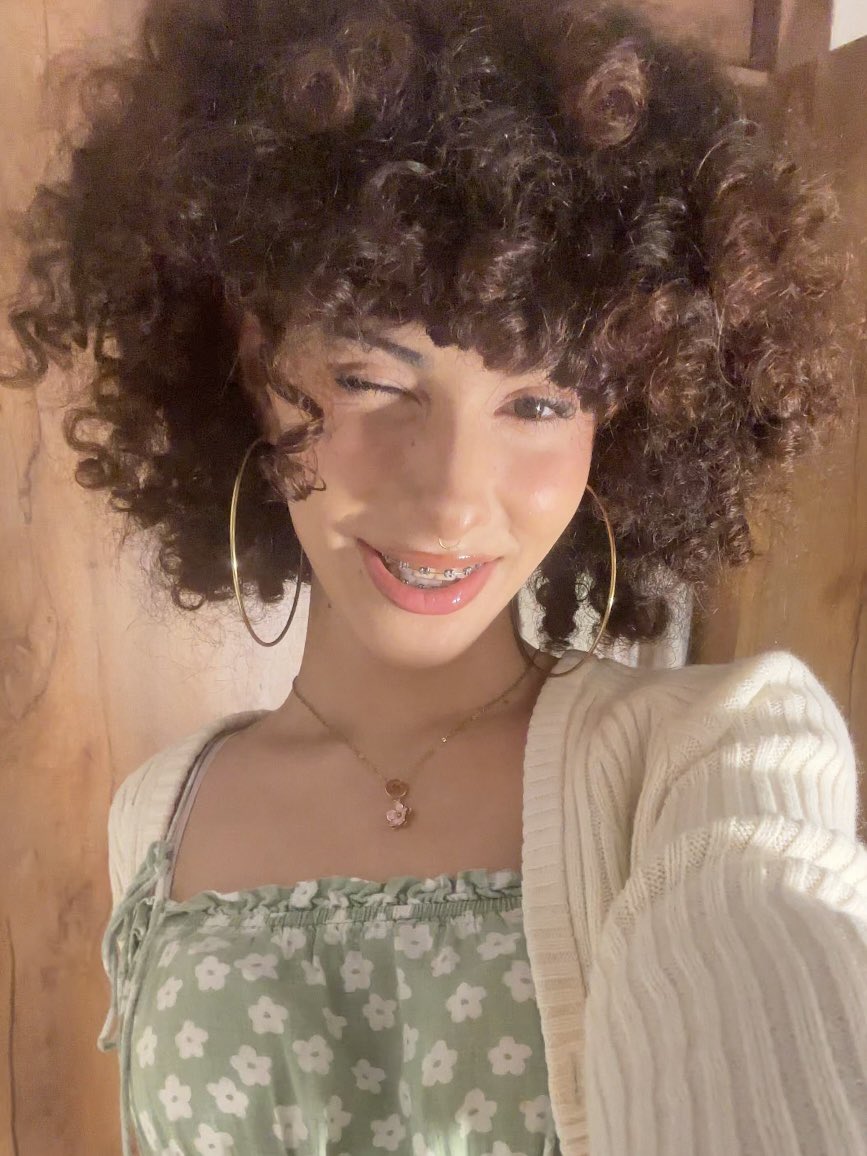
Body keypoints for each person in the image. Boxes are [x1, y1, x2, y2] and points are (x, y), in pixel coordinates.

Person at [6, 0, 866, 1153]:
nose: (453, 497)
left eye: (540, 403)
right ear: (255, 358)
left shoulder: (717, 757)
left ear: (624, 417)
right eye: (373, 379)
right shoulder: (157, 813)